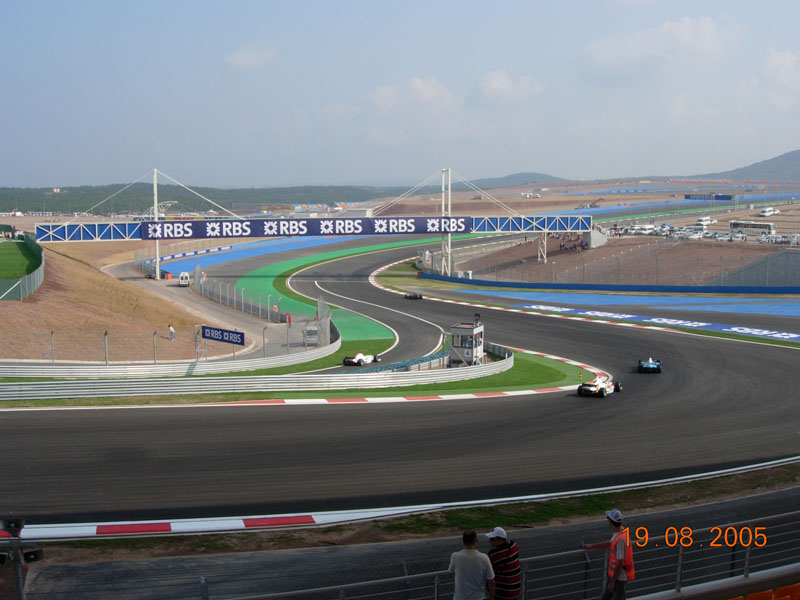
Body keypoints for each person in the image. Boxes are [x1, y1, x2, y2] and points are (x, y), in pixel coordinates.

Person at [582, 509, 635, 600]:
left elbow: (620, 562)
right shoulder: (620, 532)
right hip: (615, 576)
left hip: (618, 578)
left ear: (611, 521)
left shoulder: (620, 540)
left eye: (608, 518)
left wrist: (613, 582)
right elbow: (610, 543)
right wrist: (591, 546)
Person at [448, 530, 495, 600]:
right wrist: (492, 597)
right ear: (475, 541)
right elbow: (491, 580)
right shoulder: (484, 557)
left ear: (463, 542)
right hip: (479, 597)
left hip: (460, 597)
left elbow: (451, 572)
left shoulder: (455, 556)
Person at [485, 527, 521, 599]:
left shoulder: (493, 554)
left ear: (500, 540)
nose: (489, 541)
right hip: (516, 590)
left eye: (492, 539)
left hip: (502, 592)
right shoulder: (513, 545)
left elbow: (487, 571)